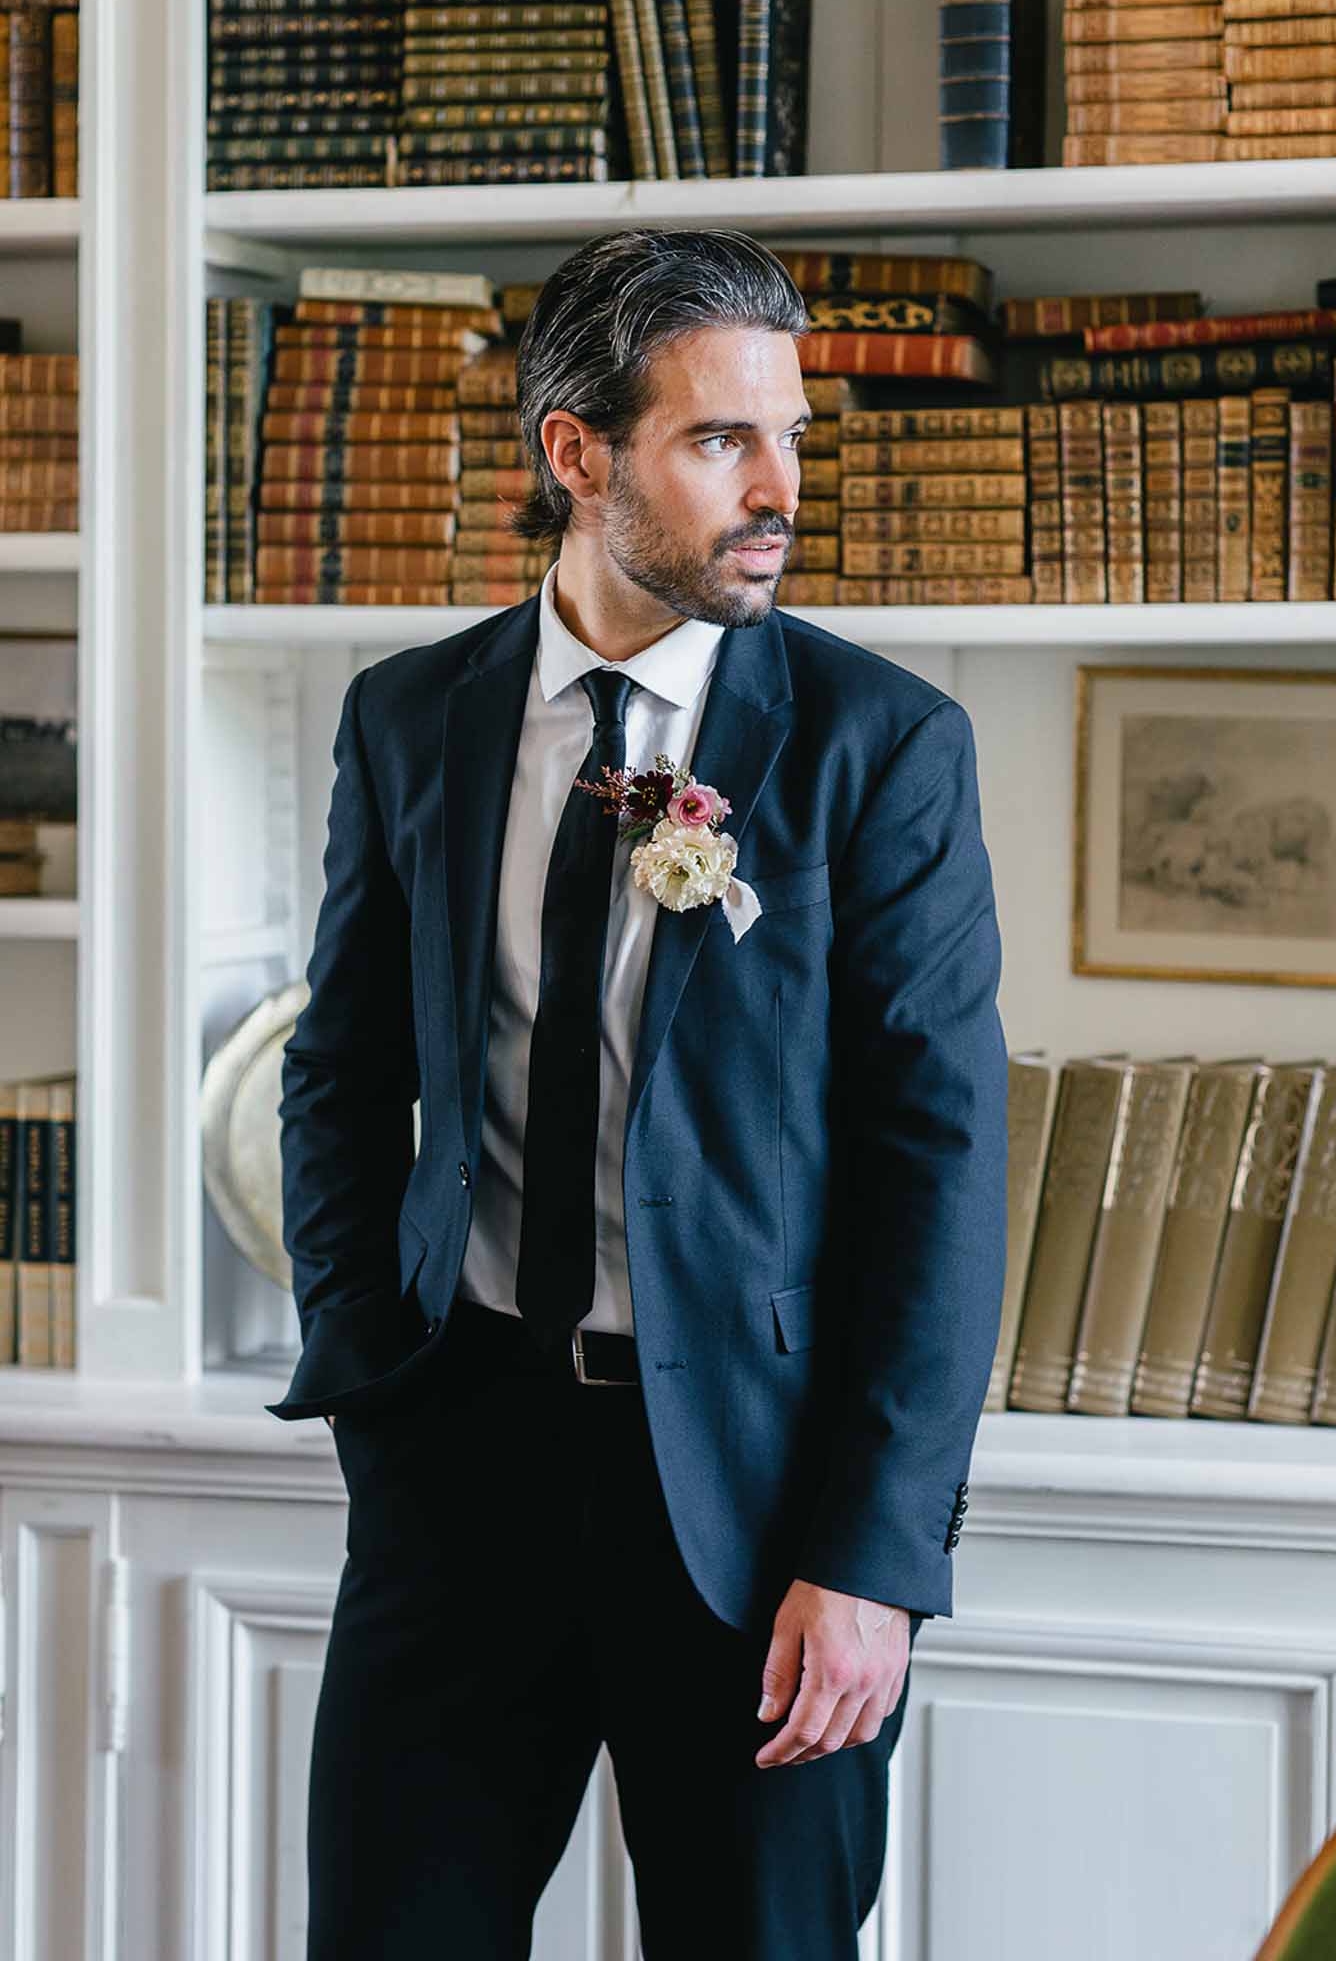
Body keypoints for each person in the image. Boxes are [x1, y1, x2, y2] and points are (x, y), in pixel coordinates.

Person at [265, 225, 1008, 1959]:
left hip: (759, 1515)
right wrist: (371, 1381)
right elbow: (341, 1074)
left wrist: (874, 1556)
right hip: (457, 1476)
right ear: (577, 454)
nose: (779, 489)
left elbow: (941, 1165)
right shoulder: (407, 718)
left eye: (790, 436)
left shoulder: (881, 745)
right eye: (719, 438)